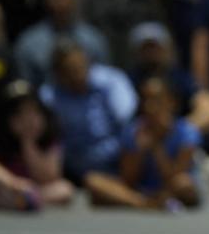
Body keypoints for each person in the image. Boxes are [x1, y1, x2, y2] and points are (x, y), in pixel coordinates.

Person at [84, 76, 201, 210]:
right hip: (142, 190)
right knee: (93, 180)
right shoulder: (133, 131)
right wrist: (138, 150)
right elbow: (128, 180)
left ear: (170, 102)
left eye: (156, 100)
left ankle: (144, 201)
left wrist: (156, 147)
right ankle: (145, 204)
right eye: (145, 100)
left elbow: (174, 176)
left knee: (183, 183)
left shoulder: (187, 132)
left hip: (172, 188)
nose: (149, 106)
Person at [0, 80, 74, 209]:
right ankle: (13, 202)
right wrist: (12, 182)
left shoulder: (48, 135)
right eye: (19, 113)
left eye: (33, 111)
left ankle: (8, 202)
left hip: (29, 191)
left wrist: (28, 142)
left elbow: (49, 177)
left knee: (64, 189)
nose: (28, 118)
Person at [38, 42, 136, 184]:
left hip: (118, 163)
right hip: (71, 170)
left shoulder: (112, 81)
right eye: (69, 70)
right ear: (57, 73)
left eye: (80, 67)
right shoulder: (48, 95)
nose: (77, 74)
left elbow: (128, 120)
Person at [13, 0, 110, 87]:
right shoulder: (28, 43)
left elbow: (106, 81)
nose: (61, 3)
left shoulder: (94, 40)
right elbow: (24, 86)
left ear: (75, 0)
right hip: (44, 102)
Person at [127, 21, 209, 133]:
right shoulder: (127, 81)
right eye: (146, 48)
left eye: (155, 47)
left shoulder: (180, 78)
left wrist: (176, 132)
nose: (151, 53)